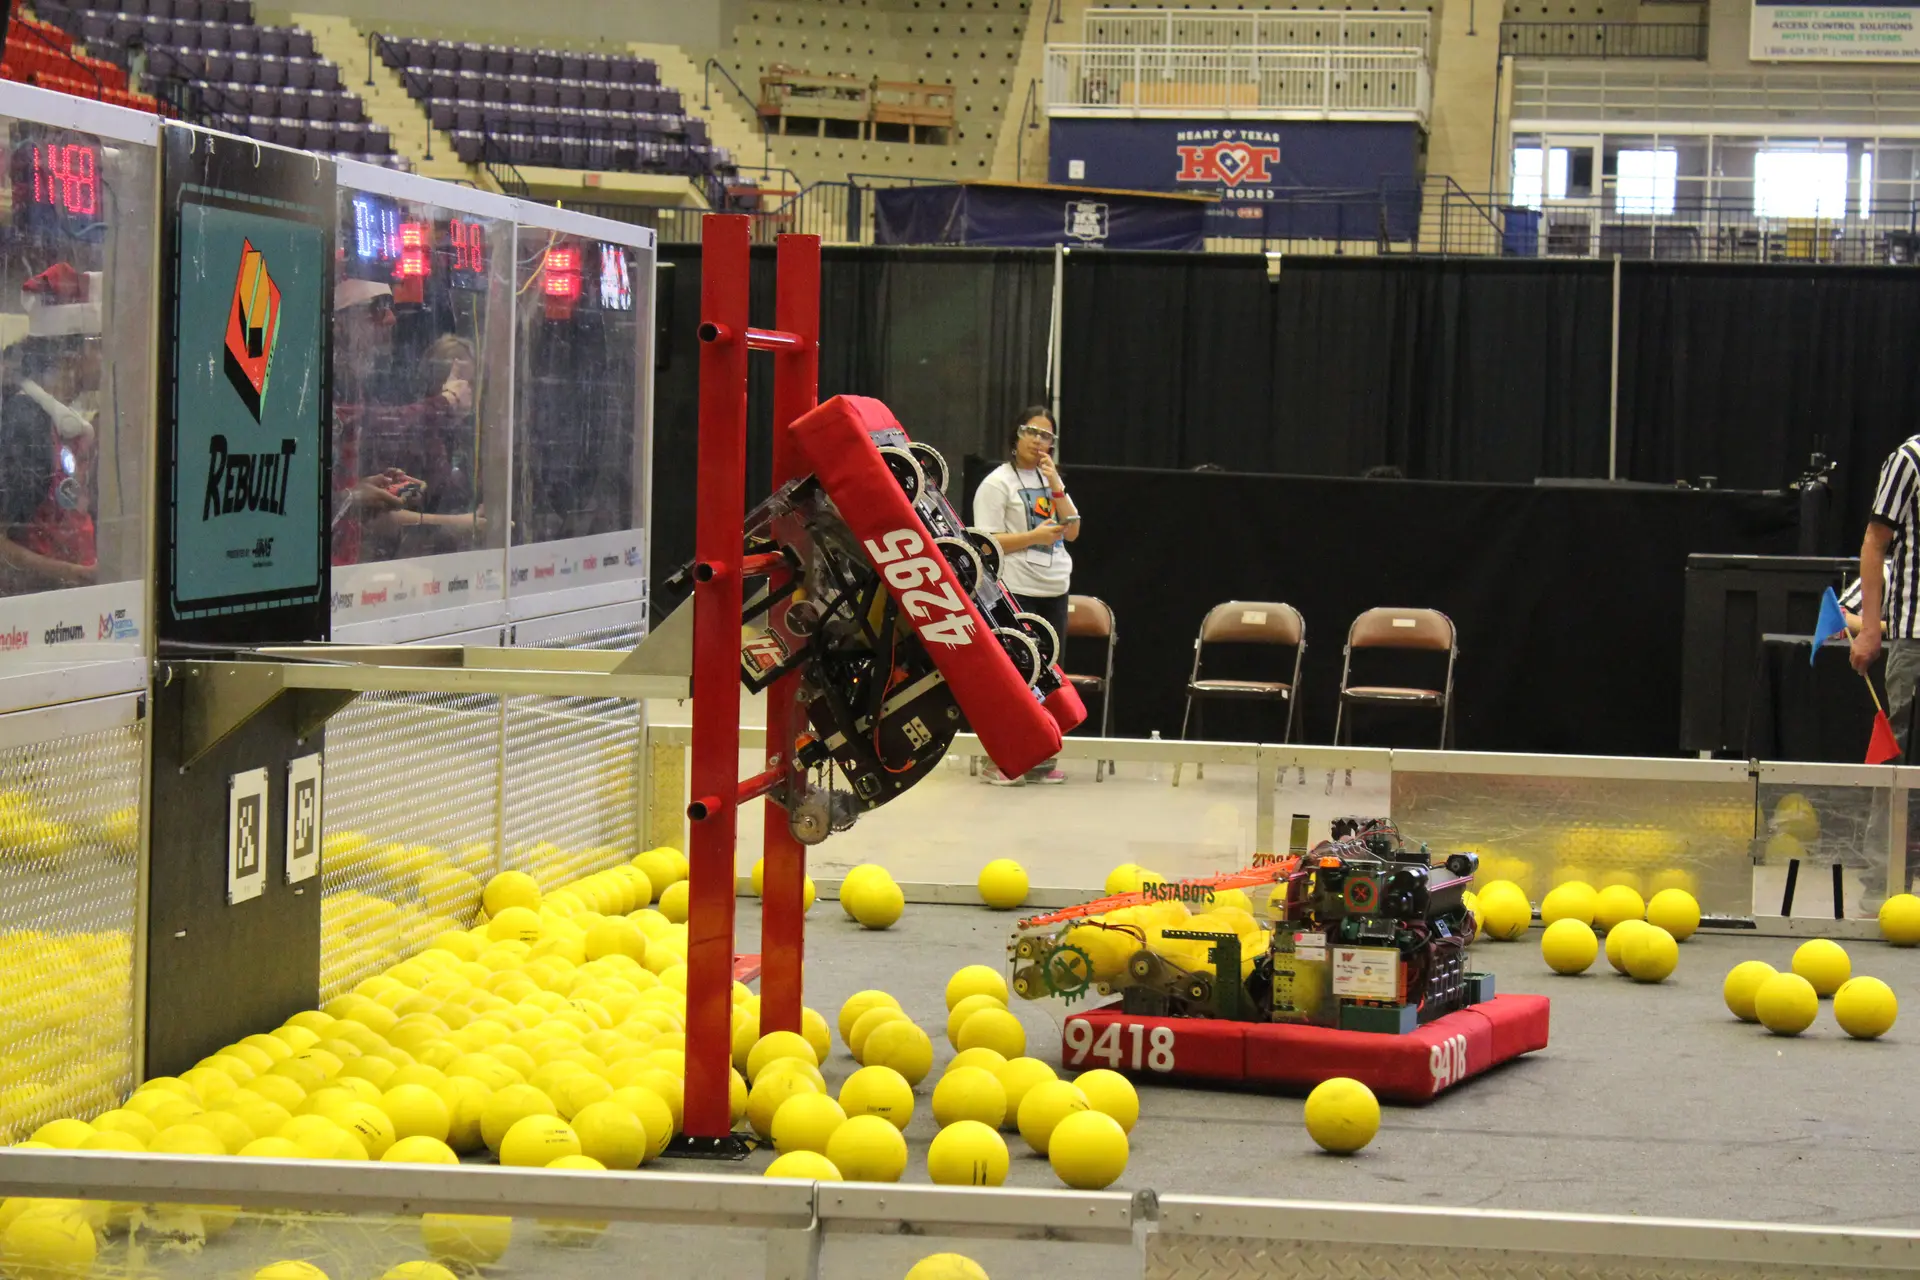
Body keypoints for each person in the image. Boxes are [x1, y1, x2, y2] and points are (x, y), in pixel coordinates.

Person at [972, 405, 1082, 785]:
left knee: (1048, 674)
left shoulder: (1051, 481)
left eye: (1046, 436)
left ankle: (1041, 758)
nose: (1039, 441)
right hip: (1015, 588)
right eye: (1031, 432)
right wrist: (1033, 538)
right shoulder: (997, 483)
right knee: (1015, 675)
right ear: (1015, 437)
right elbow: (984, 543)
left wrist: (1056, 485)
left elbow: (1073, 531)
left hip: (1055, 586)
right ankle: (1001, 760)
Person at [0, 266, 103, 594]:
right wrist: (74, 575)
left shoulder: (64, 425)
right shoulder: (25, 425)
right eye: (98, 345)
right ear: (71, 355)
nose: (106, 357)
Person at [1850, 433, 1920, 758]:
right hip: (1916, 637)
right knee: (1900, 754)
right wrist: (1869, 628)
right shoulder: (1910, 459)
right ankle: (1888, 813)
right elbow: (1875, 542)